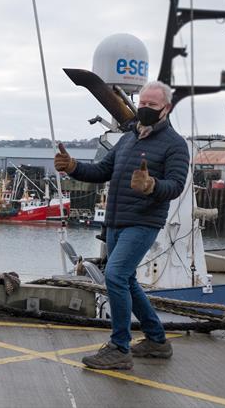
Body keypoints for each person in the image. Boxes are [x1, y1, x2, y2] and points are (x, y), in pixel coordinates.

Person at [54, 80, 188, 370]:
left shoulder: (175, 144)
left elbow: (176, 185)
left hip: (143, 222)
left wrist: (152, 185)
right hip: (116, 221)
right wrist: (73, 166)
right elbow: (103, 170)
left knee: (114, 276)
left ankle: (119, 347)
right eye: (142, 104)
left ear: (166, 108)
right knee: (126, 279)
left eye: (152, 105)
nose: (145, 108)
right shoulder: (129, 139)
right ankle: (156, 340)